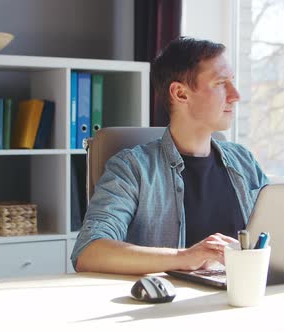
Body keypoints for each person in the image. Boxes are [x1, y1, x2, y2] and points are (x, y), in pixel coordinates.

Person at [71, 37, 268, 275]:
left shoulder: (244, 162)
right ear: (180, 93)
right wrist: (185, 257)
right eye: (220, 83)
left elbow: (278, 235)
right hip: (168, 306)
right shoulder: (132, 168)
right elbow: (89, 251)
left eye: (232, 82)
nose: (235, 95)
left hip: (244, 295)